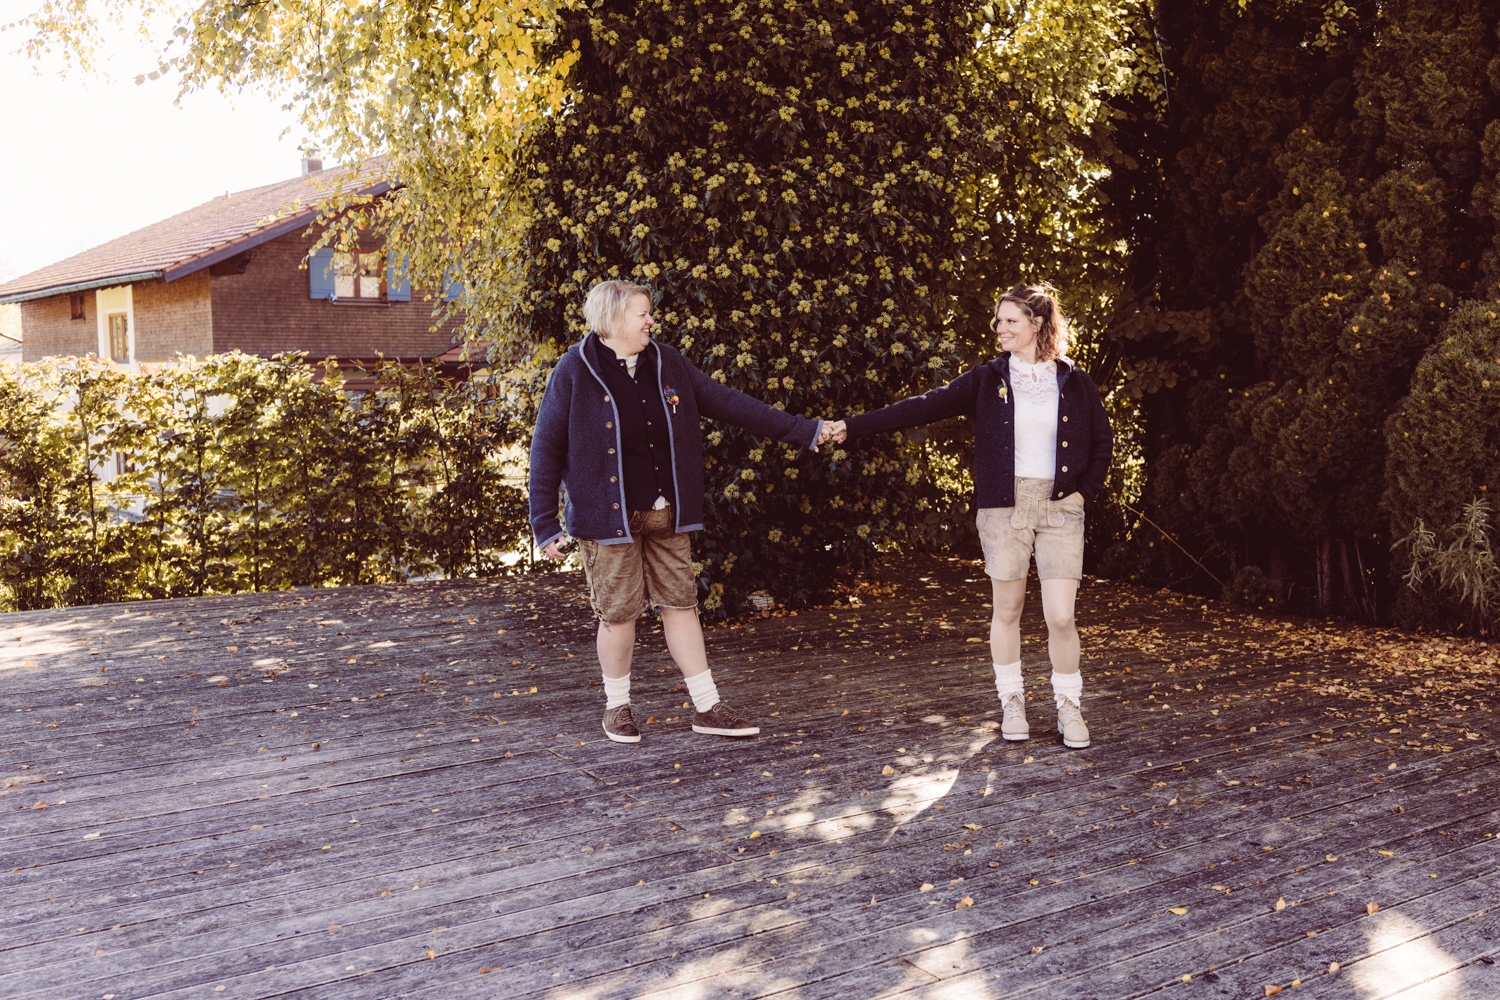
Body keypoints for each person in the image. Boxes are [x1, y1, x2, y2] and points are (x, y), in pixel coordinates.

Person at [530, 279, 836, 744]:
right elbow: (546, 448)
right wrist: (545, 524)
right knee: (619, 615)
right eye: (642, 314)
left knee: (681, 606)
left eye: (649, 313)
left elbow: (731, 403)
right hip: (607, 521)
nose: (650, 320)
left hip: (665, 515)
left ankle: (708, 707)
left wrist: (805, 430)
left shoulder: (667, 362)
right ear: (613, 320)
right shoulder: (575, 370)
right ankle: (617, 707)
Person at [826, 284, 1112, 748]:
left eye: (1010, 320)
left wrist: (1082, 495)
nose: (999, 328)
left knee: (1060, 617)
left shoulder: (1074, 381)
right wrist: (851, 427)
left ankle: (1068, 706)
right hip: (1003, 508)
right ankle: (1012, 702)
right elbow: (922, 406)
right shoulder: (987, 379)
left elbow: (1102, 442)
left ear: (1037, 324)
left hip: (1061, 508)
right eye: (998, 321)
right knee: (1009, 609)